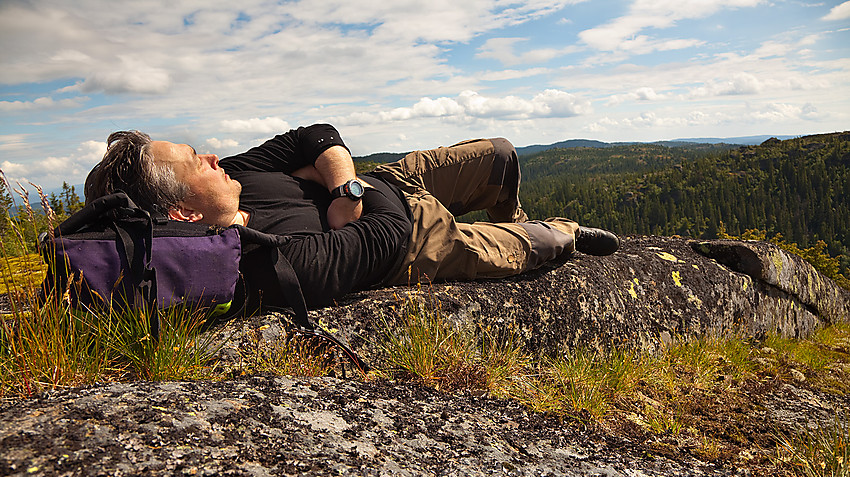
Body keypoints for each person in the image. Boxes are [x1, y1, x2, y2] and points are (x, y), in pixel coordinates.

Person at [84, 124, 619, 308]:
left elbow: (313, 136)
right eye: (195, 161)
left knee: (500, 155)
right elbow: (385, 239)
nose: (213, 158)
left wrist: (345, 184)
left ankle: (511, 217)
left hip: (389, 181)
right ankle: (542, 233)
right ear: (180, 210)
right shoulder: (261, 264)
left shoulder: (238, 176)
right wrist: (341, 185)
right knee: (542, 242)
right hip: (419, 239)